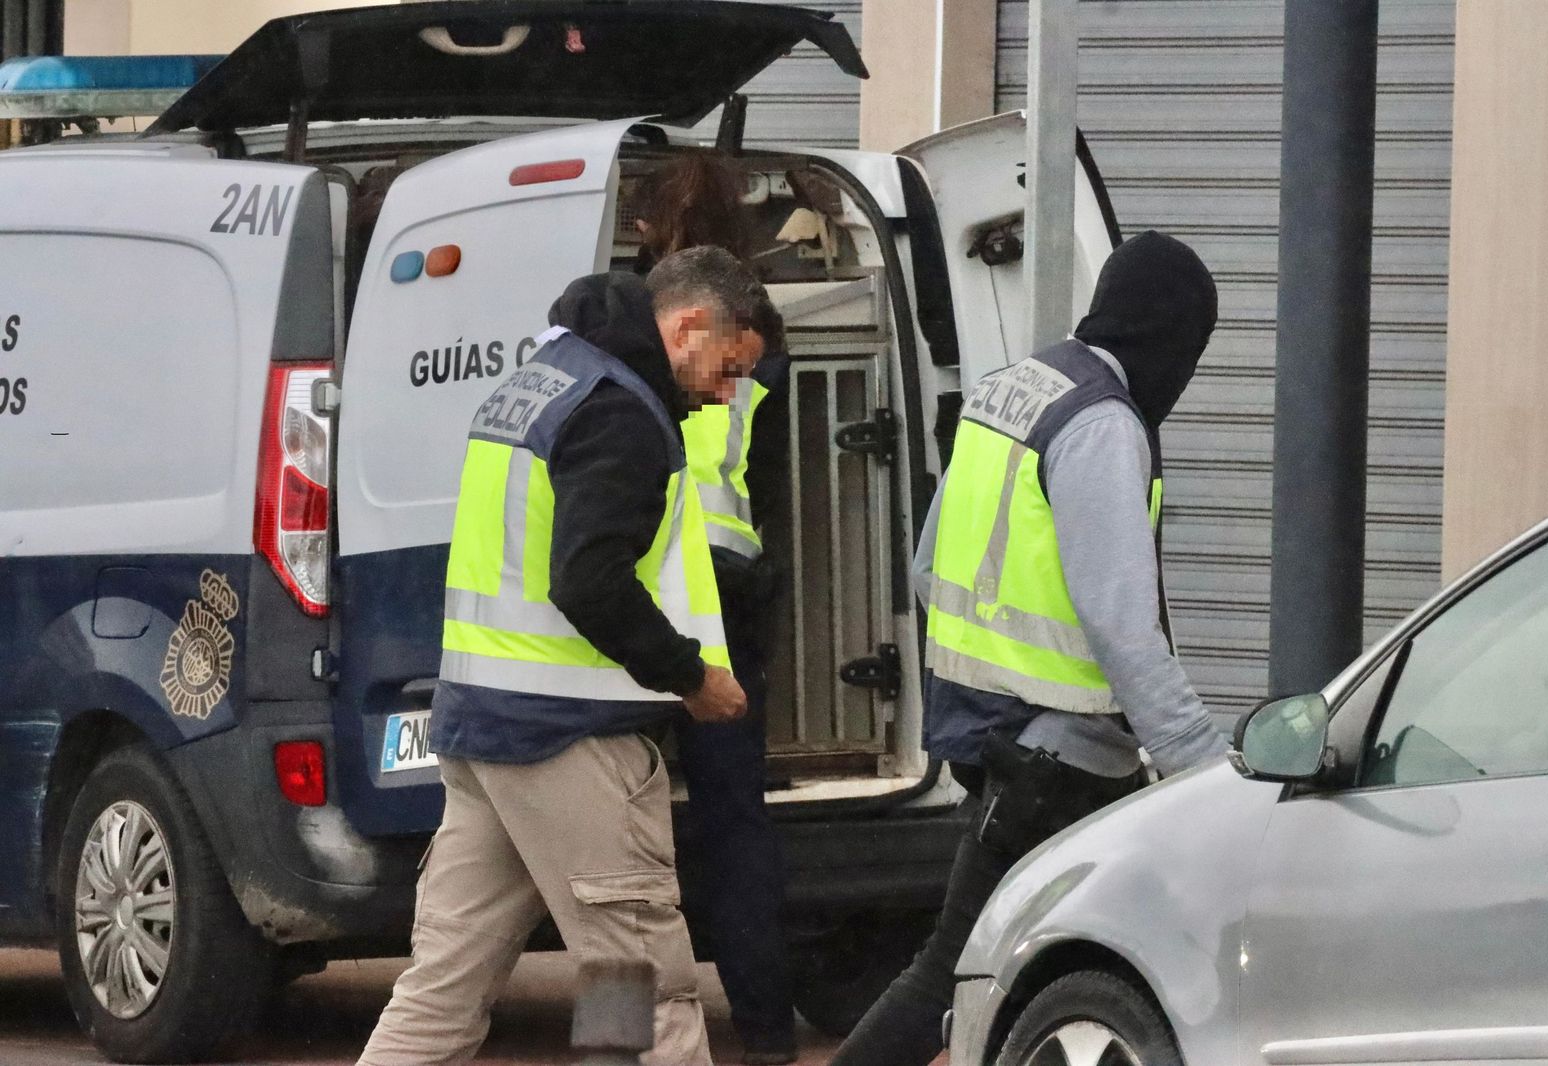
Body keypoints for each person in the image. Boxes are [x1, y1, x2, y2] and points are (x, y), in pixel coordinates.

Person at [357, 247, 775, 1066]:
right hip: (568, 742)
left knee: (445, 992)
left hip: (488, 734)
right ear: (688, 326)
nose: (726, 393)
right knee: (649, 986)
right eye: (730, 368)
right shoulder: (621, 413)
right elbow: (588, 583)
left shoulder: (543, 381)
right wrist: (691, 677)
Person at [830, 231, 1232, 1066]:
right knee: (960, 974)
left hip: (990, 738)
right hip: (1060, 757)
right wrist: (1201, 763)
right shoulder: (1101, 424)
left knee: (1050, 963)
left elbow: (927, 566)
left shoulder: (1011, 390)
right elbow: (1123, 623)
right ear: (1169, 339)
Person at [633, 153, 799, 1066]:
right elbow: (767, 486)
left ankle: (618, 1041)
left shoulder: (631, 319)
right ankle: (768, 1033)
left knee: (623, 836)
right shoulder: (762, 335)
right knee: (737, 816)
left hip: (641, 585)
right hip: (727, 587)